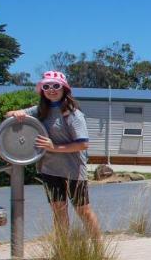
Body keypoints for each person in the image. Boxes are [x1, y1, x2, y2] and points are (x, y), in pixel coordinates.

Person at [6, 70, 102, 240]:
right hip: (49, 169)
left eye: (56, 86)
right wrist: (17, 113)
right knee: (59, 210)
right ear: (42, 90)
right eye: (47, 86)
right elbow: (10, 115)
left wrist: (54, 147)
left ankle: (98, 248)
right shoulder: (40, 110)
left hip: (73, 170)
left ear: (64, 88)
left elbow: (83, 144)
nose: (51, 90)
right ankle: (63, 249)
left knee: (83, 210)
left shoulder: (73, 114)